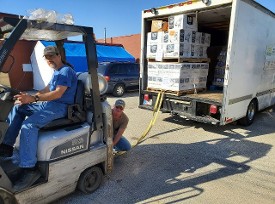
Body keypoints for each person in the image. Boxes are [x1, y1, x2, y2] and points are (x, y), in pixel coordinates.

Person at [0, 46, 77, 190]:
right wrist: (26, 96)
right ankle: (7, 146)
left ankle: (29, 169)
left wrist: (34, 98)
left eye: (52, 56)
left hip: (60, 107)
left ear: (59, 56)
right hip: (50, 105)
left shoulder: (66, 71)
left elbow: (58, 94)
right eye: (47, 58)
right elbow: (47, 90)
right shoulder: (57, 72)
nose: (49, 60)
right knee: (19, 108)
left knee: (28, 126)